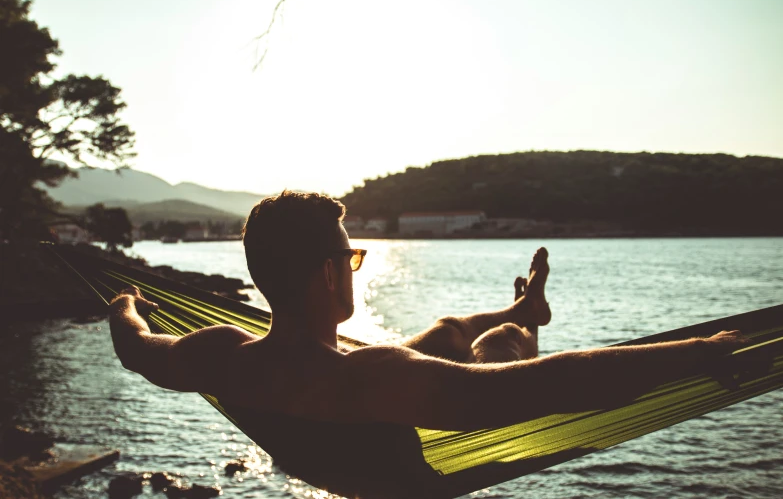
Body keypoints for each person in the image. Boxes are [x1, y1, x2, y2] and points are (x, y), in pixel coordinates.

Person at [108, 190, 746, 498]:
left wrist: (124, 300)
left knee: (443, 331)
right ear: (329, 272)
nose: (353, 265)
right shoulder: (376, 376)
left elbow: (137, 347)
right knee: (498, 343)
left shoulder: (219, 352)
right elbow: (558, 381)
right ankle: (520, 321)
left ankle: (522, 307)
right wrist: (701, 350)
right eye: (350, 255)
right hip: (391, 461)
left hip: (322, 436)